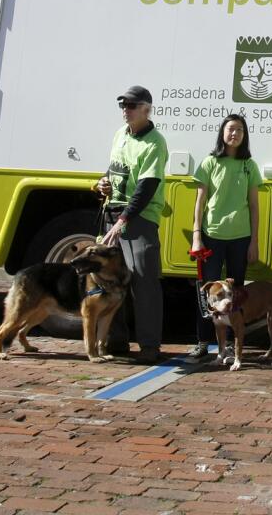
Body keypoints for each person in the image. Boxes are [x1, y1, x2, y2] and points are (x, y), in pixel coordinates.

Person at [94, 84, 169, 363]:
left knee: (143, 281)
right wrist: (101, 183)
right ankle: (116, 341)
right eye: (123, 106)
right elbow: (114, 169)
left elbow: (147, 186)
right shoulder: (120, 134)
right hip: (111, 213)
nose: (125, 111)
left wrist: (123, 221)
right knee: (109, 279)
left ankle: (150, 346)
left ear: (147, 110)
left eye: (131, 106)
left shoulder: (155, 142)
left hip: (139, 218)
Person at [189, 113, 262, 359]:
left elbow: (254, 206)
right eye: (231, 129)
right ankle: (202, 341)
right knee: (207, 291)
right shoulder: (210, 162)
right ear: (222, 132)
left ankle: (230, 343)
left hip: (240, 238)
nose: (235, 134)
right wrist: (197, 236)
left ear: (245, 136)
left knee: (235, 293)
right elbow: (200, 203)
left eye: (240, 130)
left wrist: (254, 241)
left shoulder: (249, 165)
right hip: (212, 236)